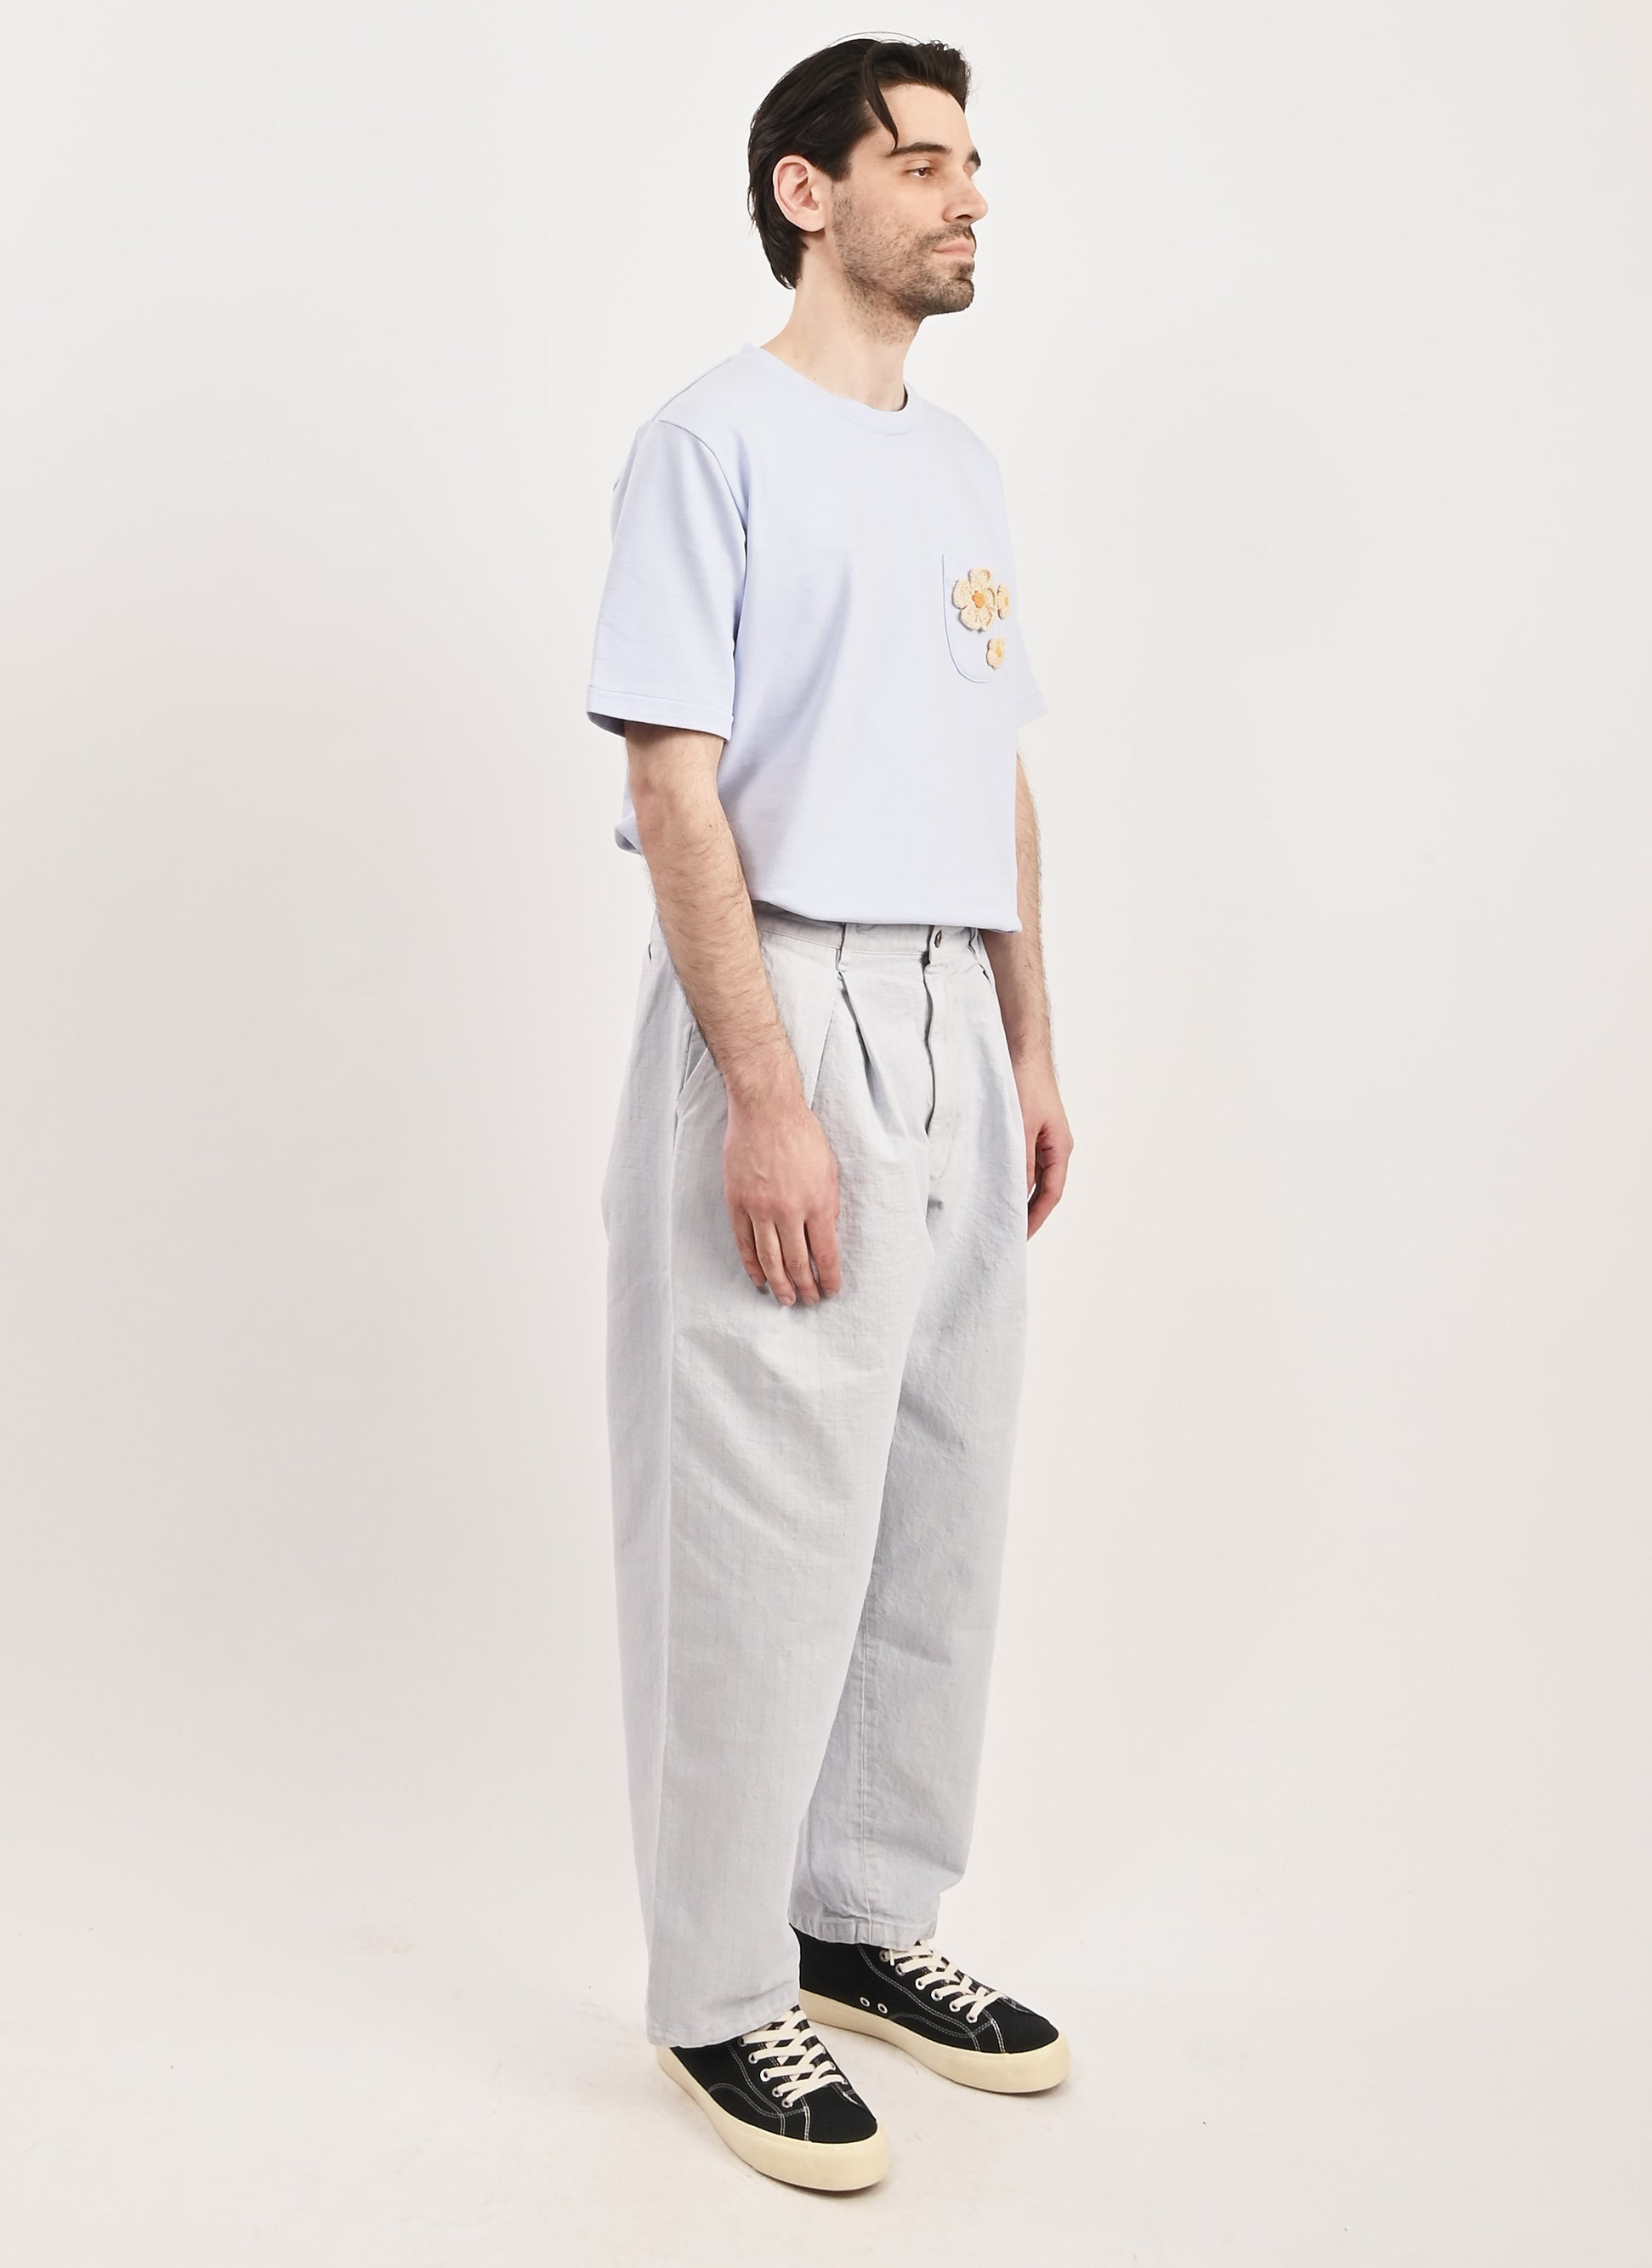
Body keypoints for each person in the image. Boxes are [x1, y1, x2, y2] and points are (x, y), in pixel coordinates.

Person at [585, 35, 1074, 2191]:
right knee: (760, 1522)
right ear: (809, 192)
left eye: (973, 163)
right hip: (785, 986)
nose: (968, 198)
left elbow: (996, 770)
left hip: (951, 1003)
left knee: (936, 1498)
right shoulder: (710, 443)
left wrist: (1030, 1044)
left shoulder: (956, 467)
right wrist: (766, 1095)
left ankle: (863, 1912)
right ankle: (716, 1993)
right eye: (924, 161)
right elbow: (671, 778)